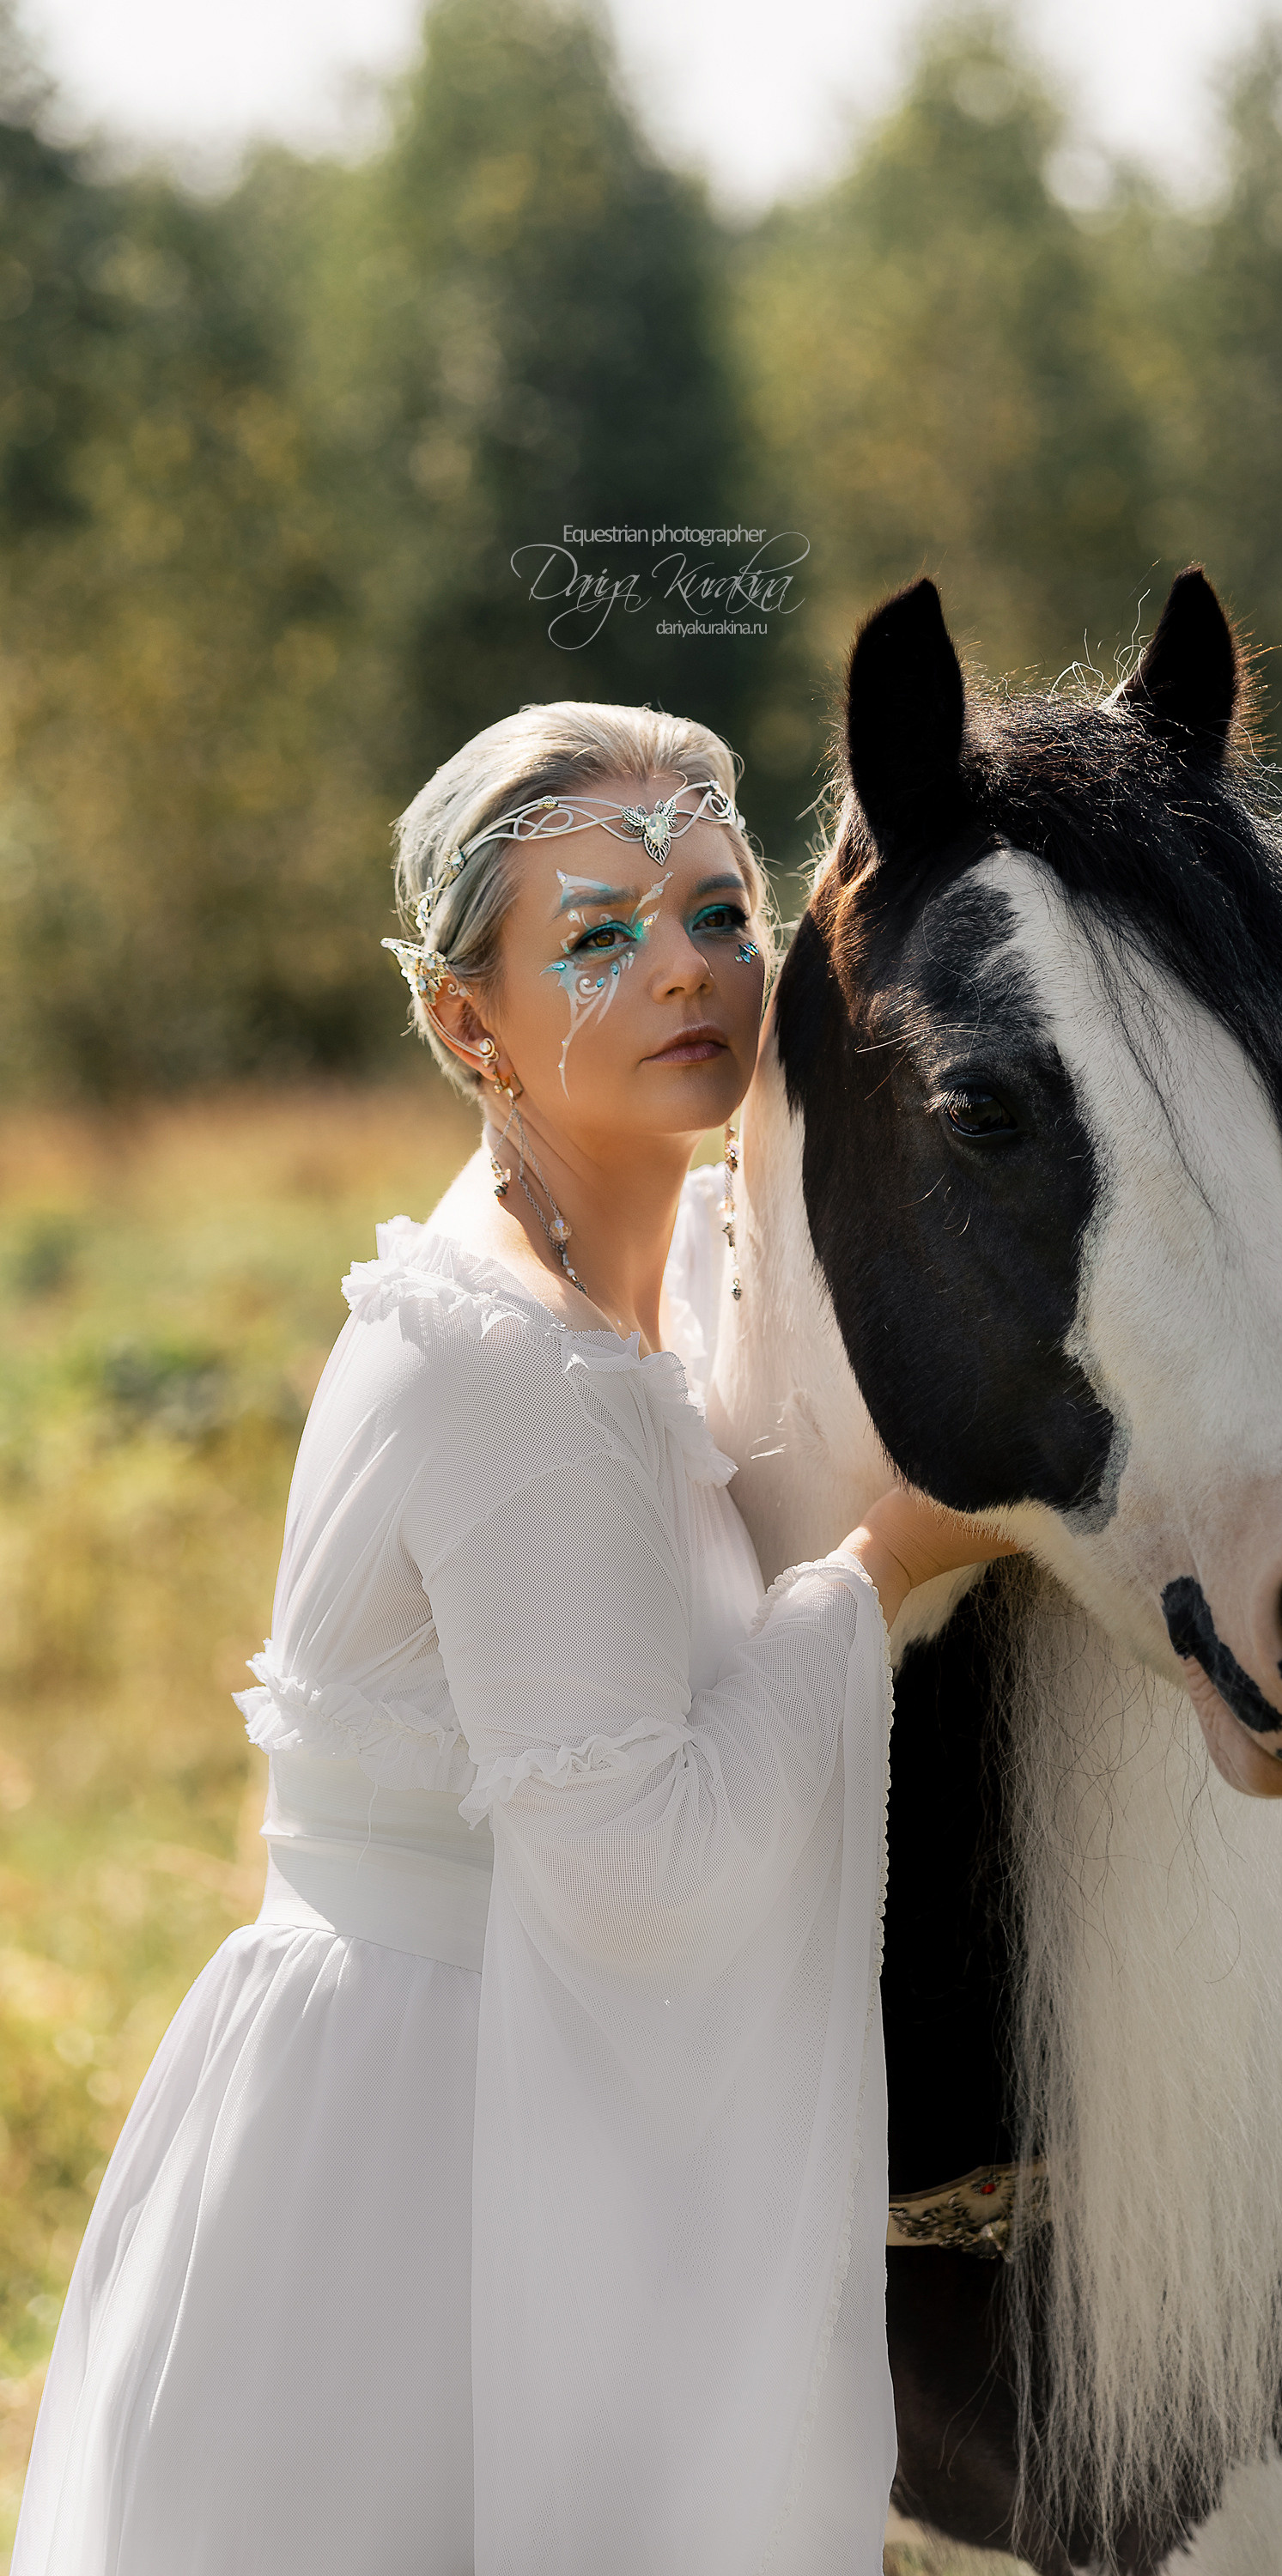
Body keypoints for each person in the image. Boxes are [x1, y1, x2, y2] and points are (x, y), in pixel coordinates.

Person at [14, 702, 1013, 2576]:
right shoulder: (502, 1368)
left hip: (560, 2123)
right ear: (468, 1025)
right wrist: (882, 1571)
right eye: (598, 938)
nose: (687, 971)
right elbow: (637, 1866)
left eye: (722, 912)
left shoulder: (697, 1263)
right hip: (410, 2182)